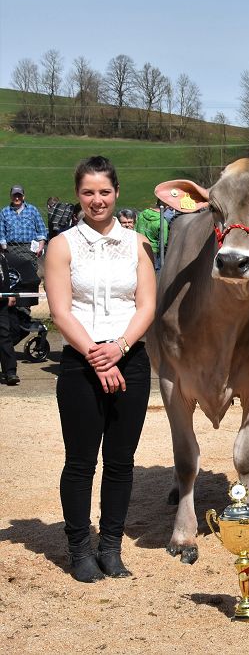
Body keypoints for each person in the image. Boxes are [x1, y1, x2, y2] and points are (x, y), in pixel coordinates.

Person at [44, 156, 156, 583]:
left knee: (121, 462)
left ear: (116, 193)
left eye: (104, 191)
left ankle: (110, 546)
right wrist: (96, 355)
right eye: (88, 192)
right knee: (80, 462)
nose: (97, 200)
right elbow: (61, 311)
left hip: (131, 360)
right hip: (81, 361)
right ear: (78, 195)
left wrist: (120, 348)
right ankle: (79, 549)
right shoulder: (63, 245)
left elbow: (147, 305)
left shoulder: (139, 244)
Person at [1, 185, 47, 326]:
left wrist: (41, 244)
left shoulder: (32, 210)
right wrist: (4, 247)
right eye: (15, 195)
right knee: (12, 280)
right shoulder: (4, 212)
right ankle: (12, 312)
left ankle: (25, 310)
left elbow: (41, 229)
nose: (17, 198)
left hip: (28, 249)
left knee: (28, 279)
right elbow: (1, 232)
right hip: (11, 249)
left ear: (23, 196)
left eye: (19, 195)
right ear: (11, 196)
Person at [0, 249, 19, 385]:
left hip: (1, 302)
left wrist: (9, 294)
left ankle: (10, 372)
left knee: (5, 335)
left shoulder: (1, 257)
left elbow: (5, 277)